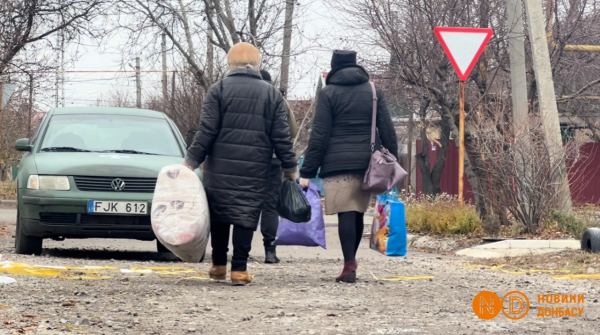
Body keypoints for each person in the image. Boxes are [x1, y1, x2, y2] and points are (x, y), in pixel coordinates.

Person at [184, 42, 298, 286]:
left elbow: (206, 131)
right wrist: (291, 168)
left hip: (219, 167)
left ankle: (217, 266)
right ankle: (239, 270)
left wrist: (191, 161)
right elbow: (281, 136)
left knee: (220, 214)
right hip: (255, 168)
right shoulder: (271, 94)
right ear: (257, 64)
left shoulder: (218, 90)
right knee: (246, 215)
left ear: (230, 63)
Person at [299, 50, 398, 283]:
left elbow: (320, 135)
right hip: (367, 163)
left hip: (336, 162)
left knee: (346, 211)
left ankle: (349, 264)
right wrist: (393, 162)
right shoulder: (374, 91)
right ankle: (350, 262)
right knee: (356, 213)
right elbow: (387, 129)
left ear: (334, 68)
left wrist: (307, 172)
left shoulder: (328, 93)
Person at [259, 69, 299, 264]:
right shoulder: (277, 99)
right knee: (270, 205)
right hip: (272, 160)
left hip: (247, 160)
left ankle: (241, 250)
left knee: (245, 204)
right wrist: (290, 166)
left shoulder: (244, 95)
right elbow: (291, 130)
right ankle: (269, 250)